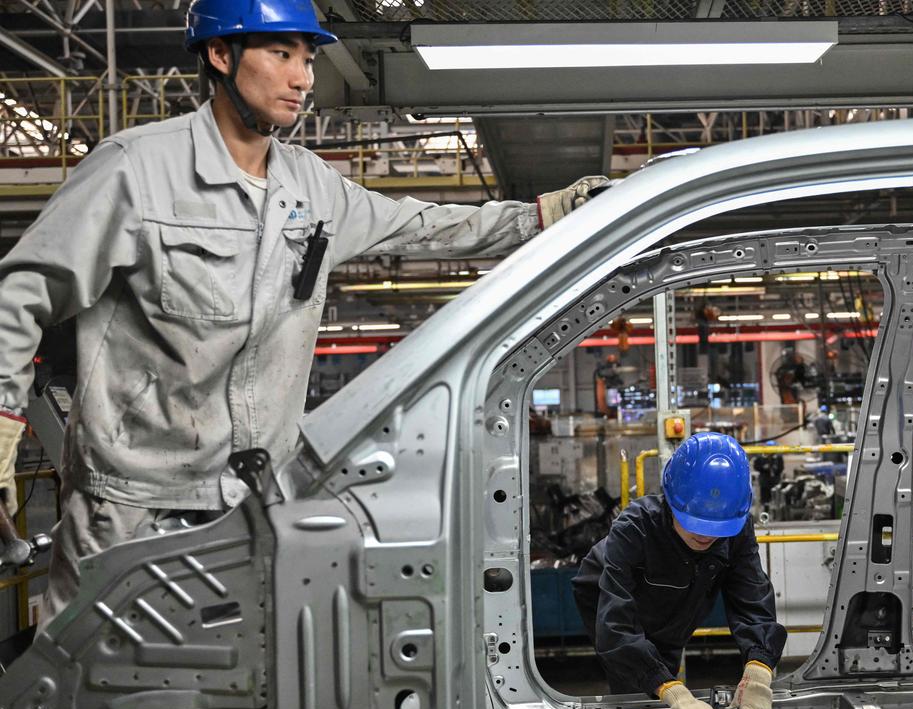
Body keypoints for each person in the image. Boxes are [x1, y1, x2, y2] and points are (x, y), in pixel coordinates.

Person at [0, 0, 607, 630]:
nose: (304, 78)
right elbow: (21, 294)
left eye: (309, 58)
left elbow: (429, 226)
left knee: (239, 692)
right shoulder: (135, 169)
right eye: (282, 54)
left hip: (251, 510)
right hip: (129, 513)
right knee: (101, 689)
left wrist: (547, 214)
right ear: (220, 55)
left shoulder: (310, 187)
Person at [572, 432, 785, 709]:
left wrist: (759, 672)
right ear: (672, 502)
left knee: (665, 659)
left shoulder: (735, 526)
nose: (707, 535)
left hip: (677, 595)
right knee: (638, 686)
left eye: (718, 527)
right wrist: (672, 692)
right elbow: (616, 625)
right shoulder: (634, 527)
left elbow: (752, 597)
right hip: (607, 594)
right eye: (696, 523)